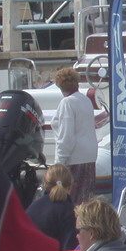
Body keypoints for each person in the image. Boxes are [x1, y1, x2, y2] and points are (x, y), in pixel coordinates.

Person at [51, 67, 97, 205]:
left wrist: (60, 162)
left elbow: (66, 135)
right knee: (85, 201)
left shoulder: (67, 102)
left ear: (60, 86)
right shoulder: (86, 100)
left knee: (71, 202)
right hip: (89, 156)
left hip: (74, 158)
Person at [26, 163, 78, 250]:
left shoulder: (33, 207)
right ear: (70, 186)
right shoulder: (70, 211)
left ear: (45, 184)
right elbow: (69, 248)